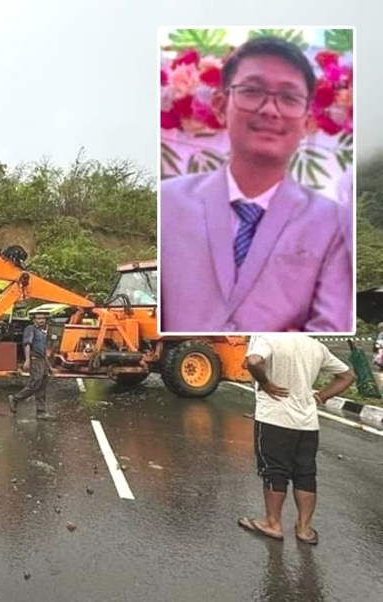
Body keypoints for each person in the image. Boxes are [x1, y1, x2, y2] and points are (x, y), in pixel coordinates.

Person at [160, 36, 353, 333]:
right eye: (252, 92)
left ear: (306, 119)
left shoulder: (333, 223)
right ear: (222, 105)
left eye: (289, 98)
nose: (270, 110)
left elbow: (331, 328)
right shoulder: (166, 204)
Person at [238, 334, 354, 545]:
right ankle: (304, 528)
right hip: (307, 422)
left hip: (274, 418)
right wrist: (321, 397)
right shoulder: (315, 345)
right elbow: (347, 376)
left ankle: (272, 523)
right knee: (305, 473)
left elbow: (253, 361)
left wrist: (265, 382)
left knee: (274, 471)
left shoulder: (267, 338)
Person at [8, 312, 55, 420]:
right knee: (36, 382)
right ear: (34, 320)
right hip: (35, 359)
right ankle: (16, 399)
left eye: (43, 318)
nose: (41, 320)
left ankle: (41, 411)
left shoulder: (42, 332)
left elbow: (44, 351)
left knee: (42, 385)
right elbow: (27, 344)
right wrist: (27, 360)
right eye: (38, 318)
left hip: (42, 361)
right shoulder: (31, 329)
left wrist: (49, 367)